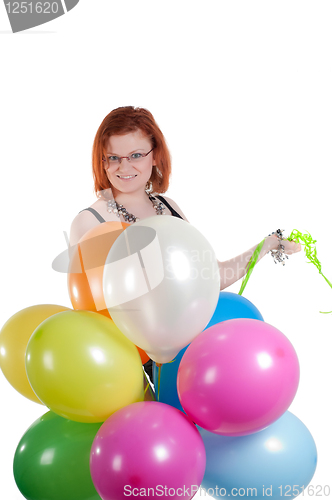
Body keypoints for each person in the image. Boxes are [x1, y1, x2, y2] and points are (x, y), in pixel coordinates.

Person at [69, 106, 301, 382]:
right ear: (102, 160)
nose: (124, 167)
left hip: (188, 356)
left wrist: (266, 245)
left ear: (154, 156)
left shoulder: (169, 208)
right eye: (113, 158)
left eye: (136, 155)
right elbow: (92, 318)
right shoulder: (90, 222)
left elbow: (210, 277)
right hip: (124, 368)